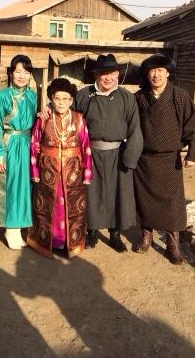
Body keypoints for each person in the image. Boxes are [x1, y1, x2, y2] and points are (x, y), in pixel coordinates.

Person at [42, 54, 143, 252]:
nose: (108, 77)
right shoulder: (84, 95)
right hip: (90, 153)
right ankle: (92, 232)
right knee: (91, 194)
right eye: (103, 73)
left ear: (117, 74)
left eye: (112, 73)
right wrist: (47, 108)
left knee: (116, 195)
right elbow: (64, 111)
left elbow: (135, 129)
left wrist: (130, 159)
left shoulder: (126, 97)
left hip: (117, 154)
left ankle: (115, 234)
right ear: (96, 75)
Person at [133, 54, 195, 264]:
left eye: (160, 70)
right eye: (152, 71)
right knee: (144, 200)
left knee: (173, 204)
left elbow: (194, 124)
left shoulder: (179, 96)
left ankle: (172, 245)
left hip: (170, 160)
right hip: (144, 160)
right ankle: (146, 237)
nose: (156, 75)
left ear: (168, 73)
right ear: (147, 74)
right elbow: (130, 125)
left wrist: (191, 154)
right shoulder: (139, 97)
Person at [28, 78, 92, 258]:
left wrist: (87, 173)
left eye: (65, 99)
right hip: (48, 170)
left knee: (71, 208)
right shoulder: (43, 119)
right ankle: (51, 241)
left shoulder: (79, 119)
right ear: (51, 99)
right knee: (51, 206)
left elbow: (86, 146)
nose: (61, 102)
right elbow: (34, 144)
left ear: (71, 100)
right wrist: (35, 171)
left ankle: (69, 242)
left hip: (73, 172)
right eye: (57, 98)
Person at [0, 55, 37, 249]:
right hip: (10, 143)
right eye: (18, 71)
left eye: (26, 72)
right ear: (11, 73)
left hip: (27, 144)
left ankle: (19, 228)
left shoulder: (33, 95)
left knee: (25, 187)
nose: (21, 76)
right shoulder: (2, 96)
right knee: (11, 186)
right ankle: (10, 229)